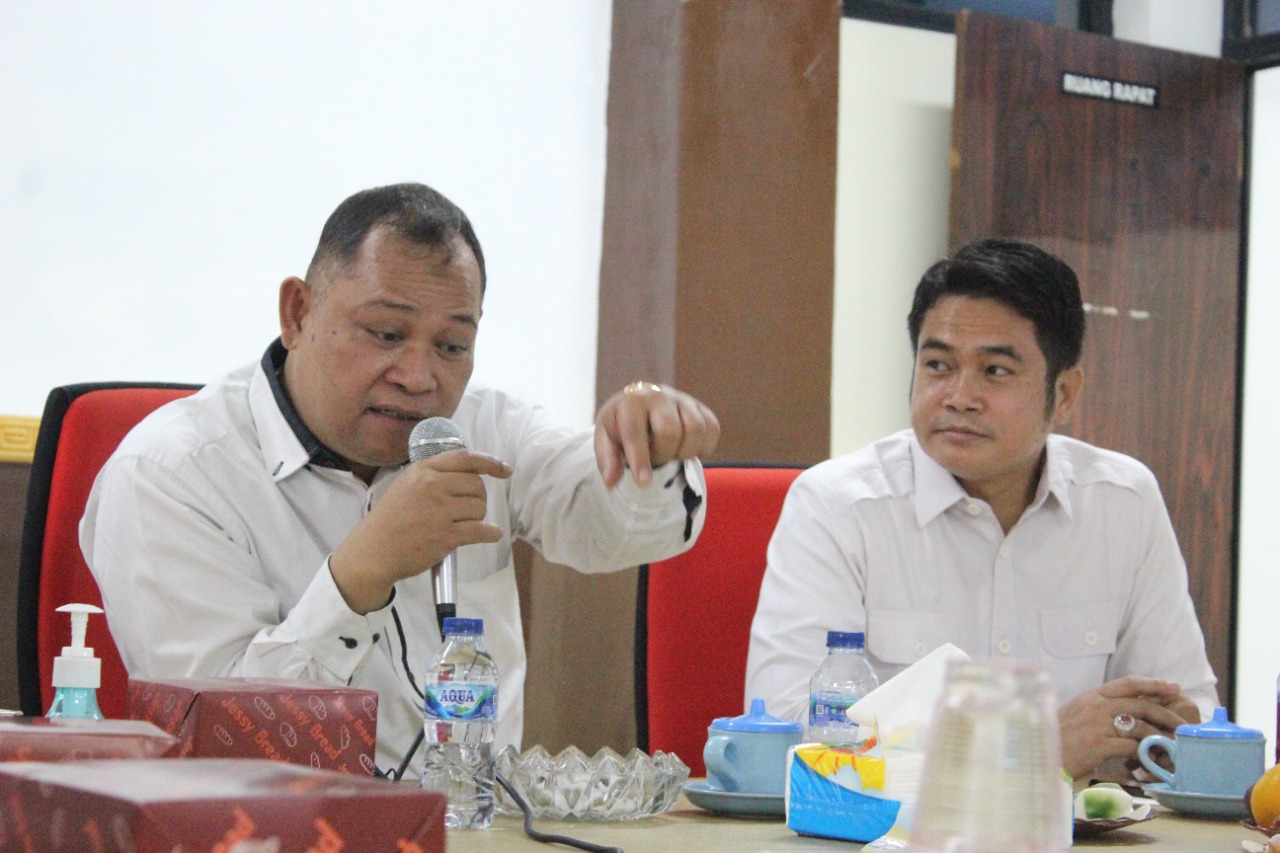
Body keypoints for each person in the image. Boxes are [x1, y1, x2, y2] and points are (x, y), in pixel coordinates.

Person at [81, 182, 720, 777]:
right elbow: (221, 738)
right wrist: (359, 575)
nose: (417, 377)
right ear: (297, 313)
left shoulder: (485, 428)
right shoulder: (170, 475)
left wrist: (649, 448)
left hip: (474, 825)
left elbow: (619, 529)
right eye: (387, 333)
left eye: (452, 346)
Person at [744, 238, 1216, 780]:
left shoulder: (1123, 502)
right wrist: (1033, 749)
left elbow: (1187, 715)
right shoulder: (839, 506)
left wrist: (1173, 733)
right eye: (938, 365)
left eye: (995, 371)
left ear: (1064, 394)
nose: (959, 396)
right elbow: (789, 735)